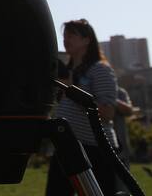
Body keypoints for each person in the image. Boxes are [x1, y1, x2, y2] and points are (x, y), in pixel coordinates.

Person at [46, 19, 119, 196]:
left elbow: (108, 113)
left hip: (96, 150)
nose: (65, 39)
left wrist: (73, 91)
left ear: (87, 40)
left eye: (72, 35)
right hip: (66, 147)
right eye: (64, 35)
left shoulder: (100, 69)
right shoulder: (66, 72)